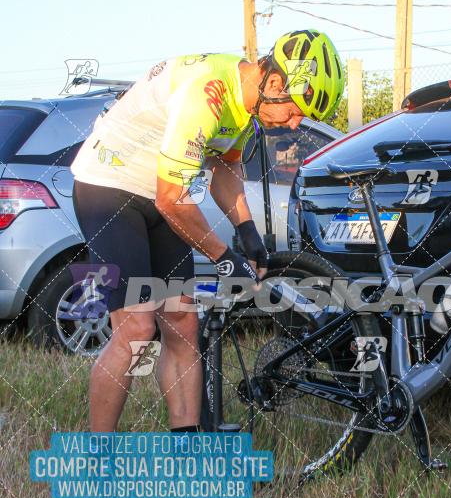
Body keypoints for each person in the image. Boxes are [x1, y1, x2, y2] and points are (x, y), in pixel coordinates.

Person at [71, 30, 344, 434]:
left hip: (160, 192)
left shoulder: (245, 105)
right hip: (109, 188)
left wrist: (246, 230)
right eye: (295, 108)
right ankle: (97, 458)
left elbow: (224, 167)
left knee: (182, 324)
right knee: (137, 330)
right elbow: (172, 199)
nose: (297, 121)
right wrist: (222, 256)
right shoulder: (207, 94)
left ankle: (187, 447)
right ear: (272, 82)